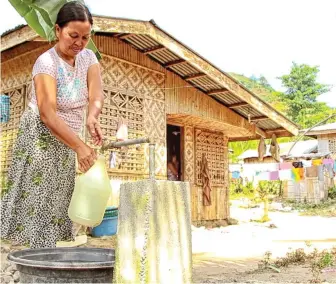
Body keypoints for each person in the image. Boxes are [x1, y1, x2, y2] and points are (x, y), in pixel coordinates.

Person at [0, 1, 104, 249]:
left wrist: (92, 116)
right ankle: (33, 259)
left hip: (68, 139)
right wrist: (79, 147)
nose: (79, 43)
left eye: (85, 37)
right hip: (41, 138)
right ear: (58, 31)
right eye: (73, 36)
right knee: (38, 199)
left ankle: (49, 255)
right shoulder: (45, 63)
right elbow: (47, 114)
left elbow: (96, 93)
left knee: (59, 200)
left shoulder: (88, 57)